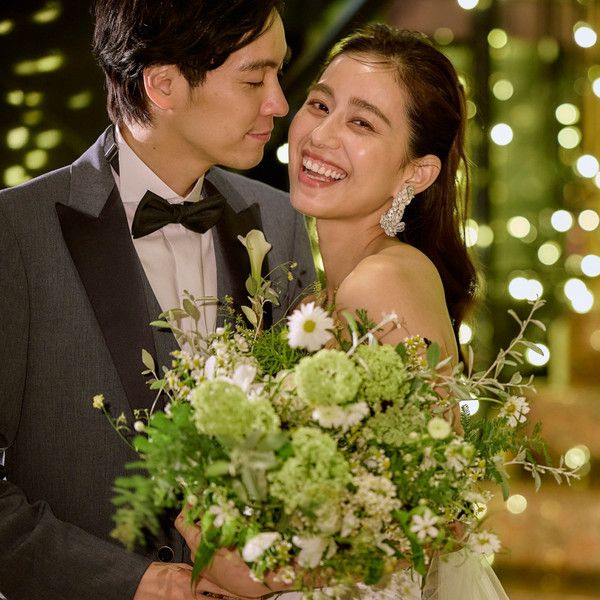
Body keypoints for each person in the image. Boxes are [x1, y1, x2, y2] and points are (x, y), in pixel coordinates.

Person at [0, 1, 315, 599]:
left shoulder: (280, 220)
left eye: (278, 75)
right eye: (254, 80)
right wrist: (136, 583)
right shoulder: (15, 233)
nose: (279, 102)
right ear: (163, 85)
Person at [287, 23, 509, 600]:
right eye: (320, 105)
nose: (320, 135)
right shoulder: (324, 296)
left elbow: (416, 525)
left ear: (417, 172)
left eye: (362, 123)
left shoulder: (382, 282)